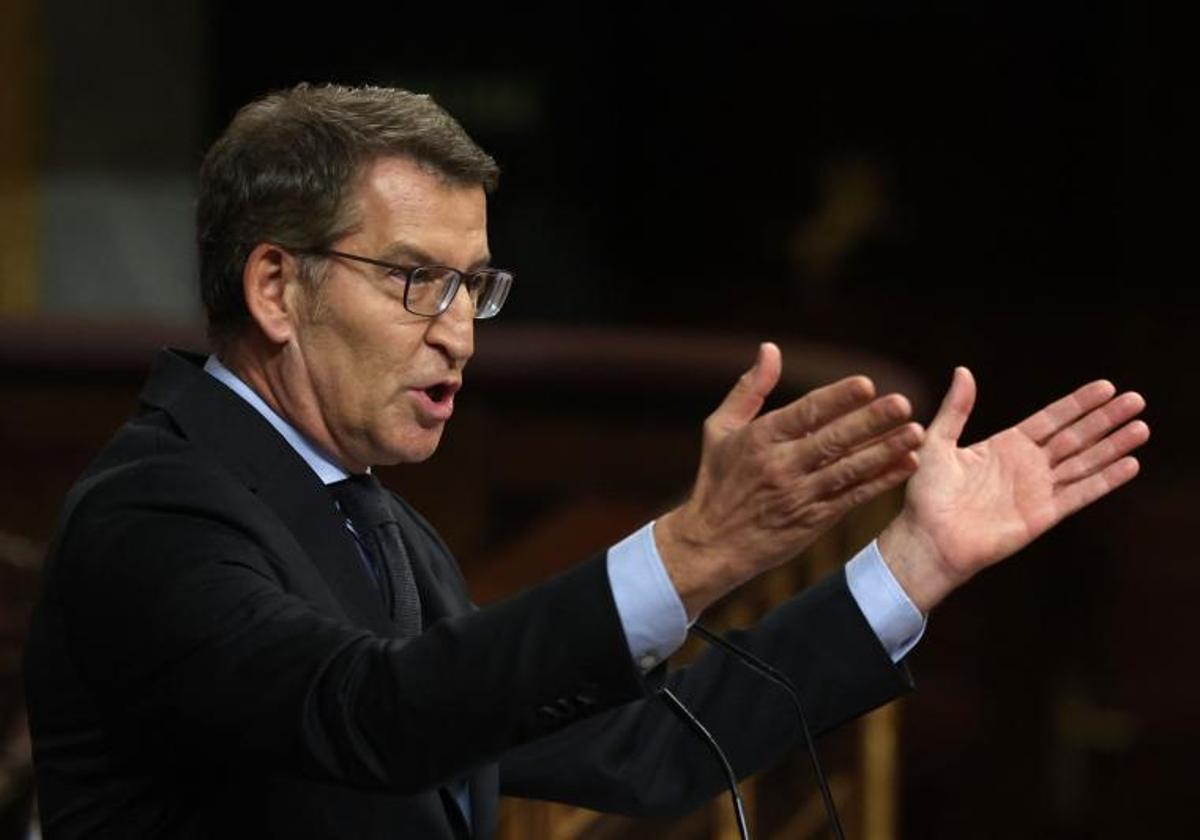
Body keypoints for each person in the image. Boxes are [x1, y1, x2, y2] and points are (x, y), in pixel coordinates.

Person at [22, 84, 1149, 839]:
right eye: (418, 280)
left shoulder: (381, 529)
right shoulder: (155, 511)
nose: (459, 330)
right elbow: (368, 715)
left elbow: (649, 753)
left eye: (476, 289)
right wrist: (694, 547)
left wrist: (912, 566)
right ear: (275, 287)